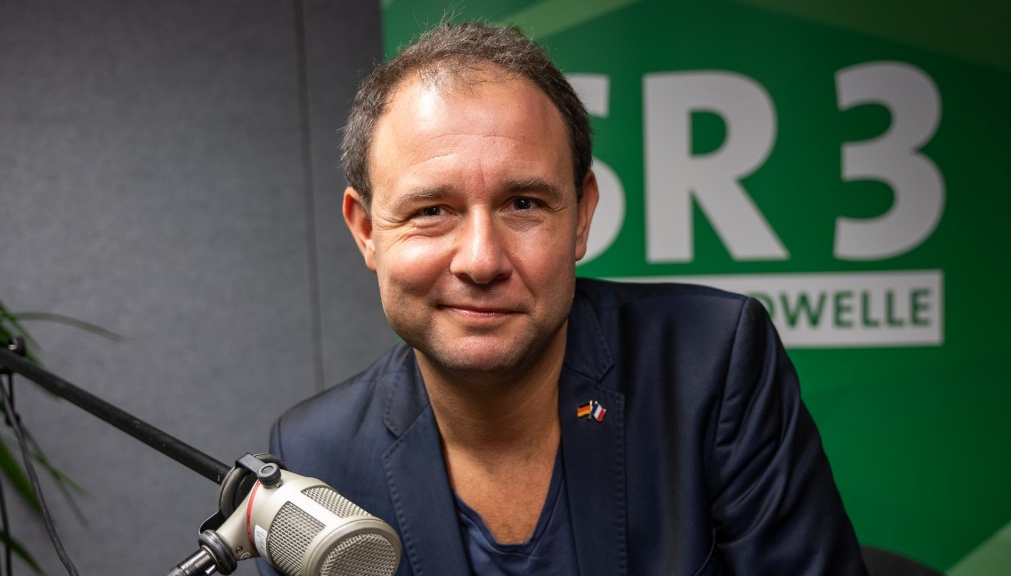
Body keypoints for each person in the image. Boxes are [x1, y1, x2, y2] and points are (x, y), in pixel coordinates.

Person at [258, 22, 868, 576]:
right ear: (367, 230)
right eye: (432, 210)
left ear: (582, 216)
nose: (481, 260)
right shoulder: (315, 459)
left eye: (523, 204)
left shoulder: (711, 362)